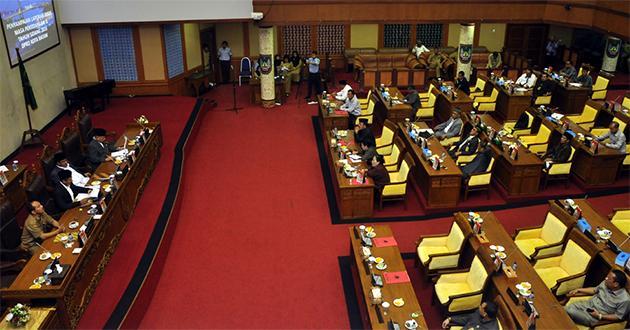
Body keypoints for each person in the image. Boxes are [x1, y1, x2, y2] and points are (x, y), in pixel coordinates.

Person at [564, 270, 629, 327]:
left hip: (594, 317)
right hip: (587, 304)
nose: (605, 278)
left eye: (608, 278)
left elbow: (618, 317)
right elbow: (594, 290)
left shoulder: (625, 300)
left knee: (568, 311)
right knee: (566, 309)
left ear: (616, 284)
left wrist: (599, 316)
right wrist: (579, 290)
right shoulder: (605, 283)